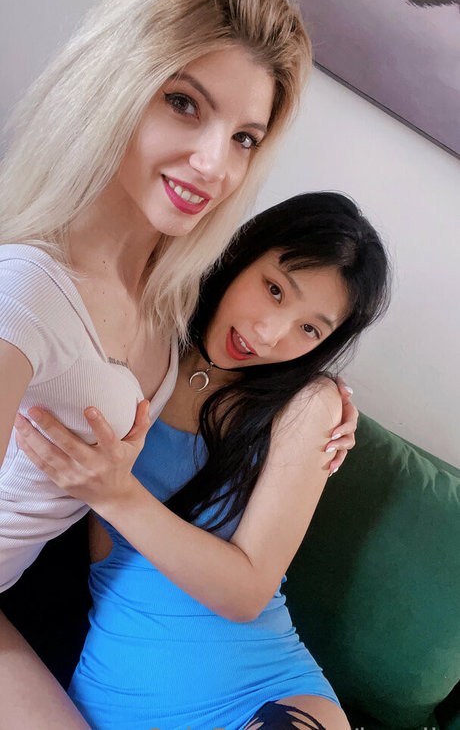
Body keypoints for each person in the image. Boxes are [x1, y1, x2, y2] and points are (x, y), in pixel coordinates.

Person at [0, 0, 325, 728]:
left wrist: (319, 391)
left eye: (244, 137)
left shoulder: (171, 292)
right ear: (116, 82)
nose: (214, 164)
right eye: (184, 102)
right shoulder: (26, 291)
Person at [16, 192, 390, 730]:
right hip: (112, 694)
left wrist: (116, 496)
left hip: (261, 690)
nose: (270, 335)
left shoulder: (307, 405)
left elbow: (246, 594)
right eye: (274, 289)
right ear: (241, 252)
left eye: (310, 329)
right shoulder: (140, 334)